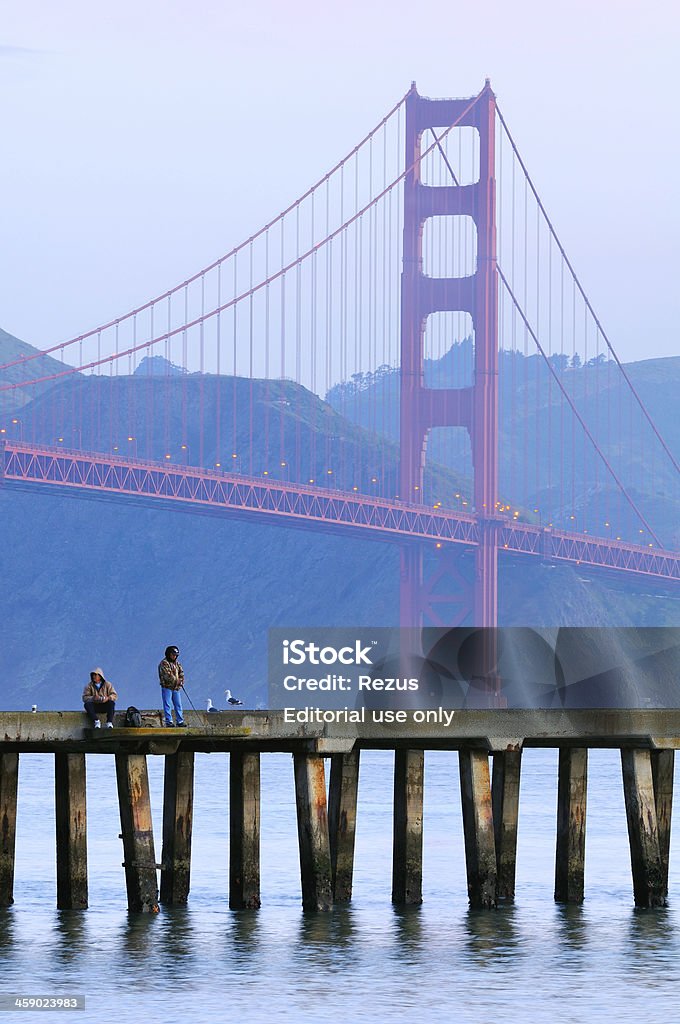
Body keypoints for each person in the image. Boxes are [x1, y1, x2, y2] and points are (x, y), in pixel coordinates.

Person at [158, 645, 186, 727]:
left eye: (176, 655)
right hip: (167, 687)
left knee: (178, 705)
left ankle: (180, 721)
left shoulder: (177, 663)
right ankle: (169, 721)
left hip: (176, 688)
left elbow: (181, 672)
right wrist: (177, 681)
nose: (174, 656)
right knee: (167, 704)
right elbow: (168, 676)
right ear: (168, 654)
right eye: (173, 655)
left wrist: (181, 680)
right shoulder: (164, 663)